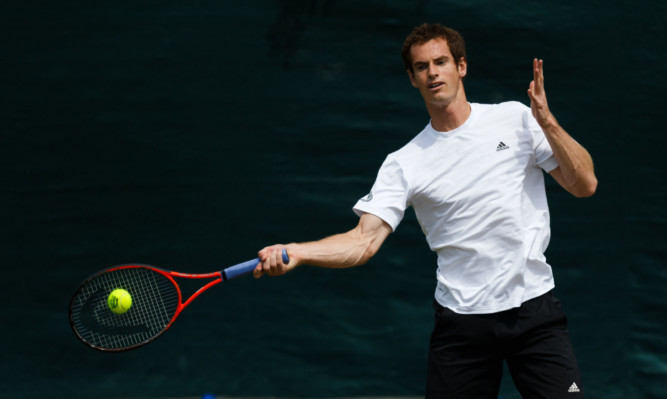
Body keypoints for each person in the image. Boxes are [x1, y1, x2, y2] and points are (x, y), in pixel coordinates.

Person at [254, 23, 597, 398]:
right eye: (421, 67)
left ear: (461, 66)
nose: (433, 72)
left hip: (534, 312)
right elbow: (363, 242)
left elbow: (584, 185)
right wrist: (299, 253)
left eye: (441, 62)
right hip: (461, 325)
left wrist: (547, 122)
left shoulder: (516, 119)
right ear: (412, 79)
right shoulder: (404, 163)